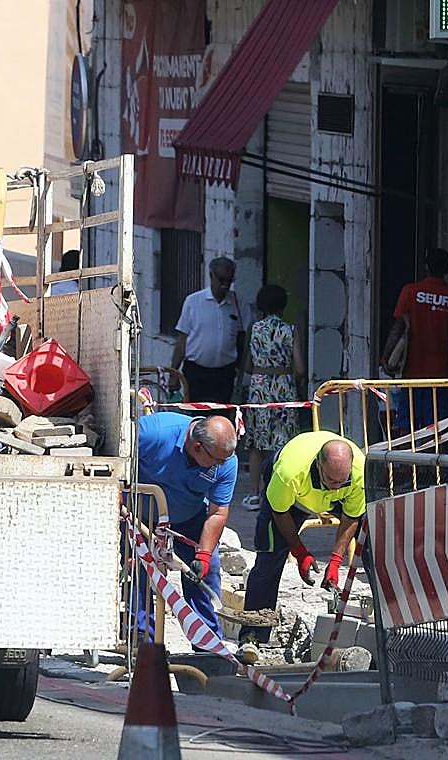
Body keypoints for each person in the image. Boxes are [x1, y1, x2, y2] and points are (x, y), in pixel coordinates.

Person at [237, 431, 365, 660]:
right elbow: (280, 513)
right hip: (290, 498)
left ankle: (385, 619)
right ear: (318, 465)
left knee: (373, 537)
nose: (337, 486)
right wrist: (300, 552)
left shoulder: (357, 474)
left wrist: (335, 561)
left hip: (328, 499)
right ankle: (251, 635)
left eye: (341, 481)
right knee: (269, 558)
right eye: (331, 480)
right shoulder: (289, 473)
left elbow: (351, 517)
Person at [135, 411, 238, 638]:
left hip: (188, 519)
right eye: (218, 460)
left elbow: (218, 511)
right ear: (197, 447)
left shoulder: (227, 462)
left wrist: (203, 555)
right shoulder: (154, 433)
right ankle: (143, 641)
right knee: (138, 570)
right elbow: (114, 456)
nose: (223, 464)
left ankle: (207, 643)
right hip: (138, 514)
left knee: (204, 571)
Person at [380, 247, 448, 432]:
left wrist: (386, 358)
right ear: (447, 270)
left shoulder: (410, 292)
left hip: (412, 373)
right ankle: (433, 460)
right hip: (440, 375)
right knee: (436, 428)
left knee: (406, 426)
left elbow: (398, 328)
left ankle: (405, 461)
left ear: (426, 266)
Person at [242, 284, 305, 512]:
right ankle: (282, 492)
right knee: (285, 440)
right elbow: (299, 367)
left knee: (257, 443)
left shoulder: (255, 328)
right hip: (284, 387)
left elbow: (248, 365)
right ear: (283, 305)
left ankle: (253, 495)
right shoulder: (290, 330)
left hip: (259, 387)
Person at [171, 257, 245, 404]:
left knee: (221, 419)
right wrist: (174, 373)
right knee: (195, 418)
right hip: (196, 373)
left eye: (229, 281)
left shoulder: (238, 304)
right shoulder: (193, 302)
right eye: (221, 280)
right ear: (211, 276)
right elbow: (182, 341)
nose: (225, 286)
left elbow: (242, 339)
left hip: (225, 374)